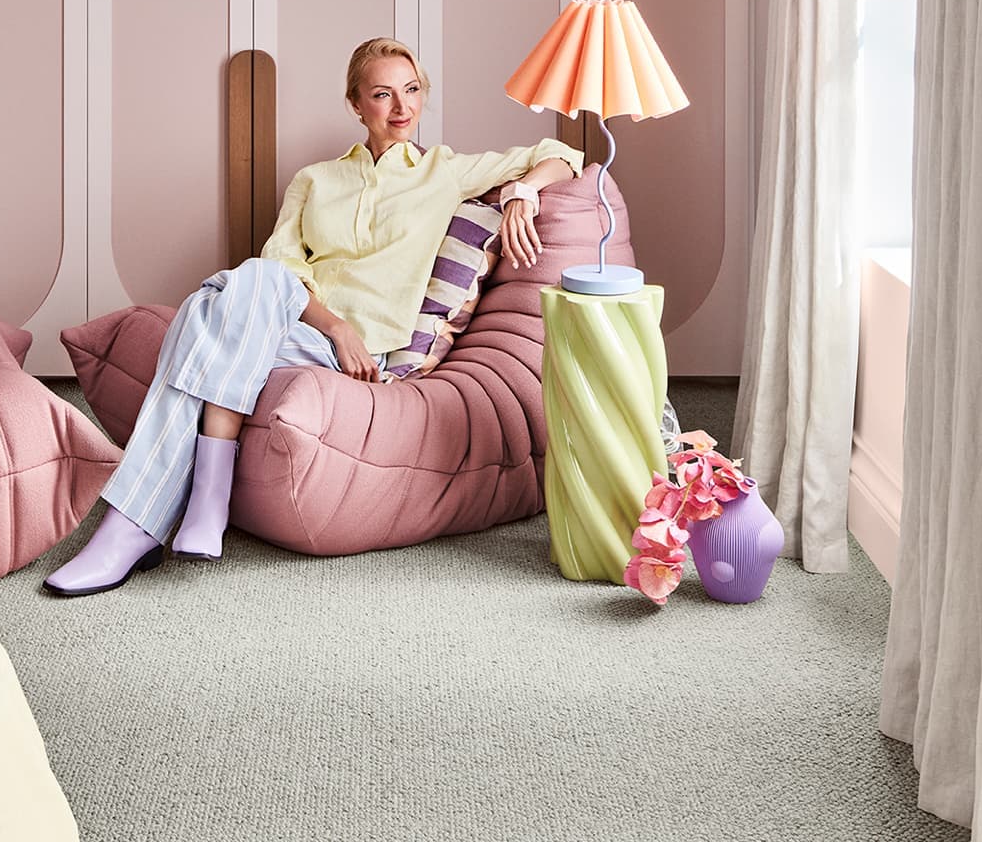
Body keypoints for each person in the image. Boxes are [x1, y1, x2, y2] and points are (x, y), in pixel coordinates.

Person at [43, 37, 583, 596]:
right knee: (246, 282)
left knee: (209, 308)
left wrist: (523, 190)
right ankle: (190, 504)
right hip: (304, 330)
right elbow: (280, 265)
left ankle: (135, 525)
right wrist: (334, 325)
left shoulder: (444, 172)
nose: (402, 108)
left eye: (413, 91)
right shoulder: (314, 180)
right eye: (382, 94)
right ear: (355, 104)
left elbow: (565, 155)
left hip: (363, 351)